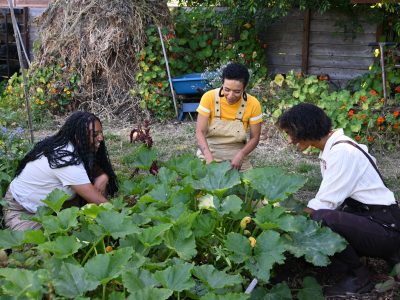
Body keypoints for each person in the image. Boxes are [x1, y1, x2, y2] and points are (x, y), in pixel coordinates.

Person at [277, 103, 400, 296]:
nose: (289, 140)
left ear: (306, 129)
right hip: (377, 219)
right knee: (330, 216)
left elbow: (322, 206)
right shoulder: (335, 147)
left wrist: (279, 218)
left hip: (386, 228)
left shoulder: (342, 153)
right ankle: (344, 267)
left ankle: (359, 277)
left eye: (291, 133)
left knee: (322, 218)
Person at [3, 111, 118, 231]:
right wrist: (123, 217)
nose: (101, 138)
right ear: (78, 137)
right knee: (38, 246)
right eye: (94, 134)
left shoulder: (70, 146)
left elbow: (93, 165)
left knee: (76, 231)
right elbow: (98, 201)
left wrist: (102, 176)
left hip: (51, 208)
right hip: (23, 211)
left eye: (100, 132)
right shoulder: (65, 159)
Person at [196, 63, 262, 171]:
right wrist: (208, 158)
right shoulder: (208, 97)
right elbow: (200, 132)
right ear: (222, 83)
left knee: (246, 185)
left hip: (236, 154)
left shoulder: (253, 104)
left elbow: (255, 138)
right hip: (210, 150)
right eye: (226, 89)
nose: (230, 96)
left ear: (244, 87)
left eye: (237, 92)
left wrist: (241, 155)